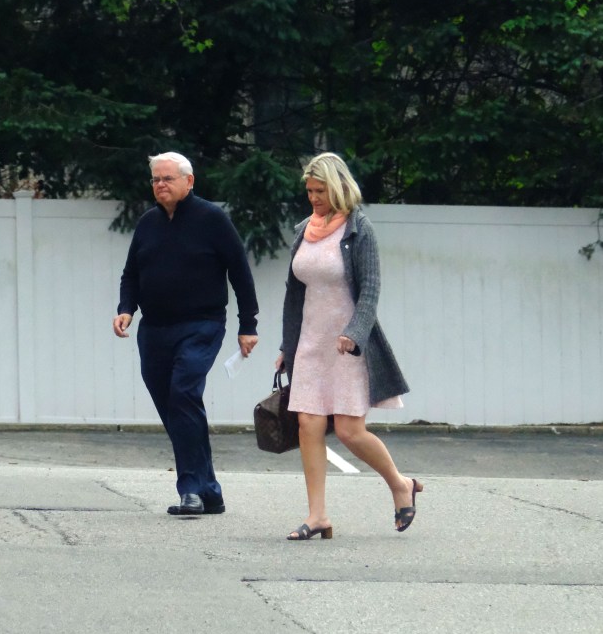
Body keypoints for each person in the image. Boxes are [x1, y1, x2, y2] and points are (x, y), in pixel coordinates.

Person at [275, 152, 420, 540]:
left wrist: (355, 332)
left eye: (320, 190)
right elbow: (294, 294)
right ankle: (317, 515)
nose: (314, 198)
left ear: (338, 187)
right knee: (308, 425)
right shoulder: (304, 229)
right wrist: (287, 346)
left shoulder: (359, 229)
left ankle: (399, 484)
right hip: (310, 342)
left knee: (350, 430)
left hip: (347, 345)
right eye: (309, 190)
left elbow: (370, 289)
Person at [113, 152, 259, 516]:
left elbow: (240, 272)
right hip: (155, 329)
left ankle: (190, 490)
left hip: (202, 325)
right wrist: (125, 309)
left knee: (183, 393)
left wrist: (248, 325)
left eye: (168, 179)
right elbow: (131, 273)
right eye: (155, 180)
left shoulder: (212, 219)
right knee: (174, 407)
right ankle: (211, 491)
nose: (160, 185)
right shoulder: (148, 223)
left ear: (189, 181)